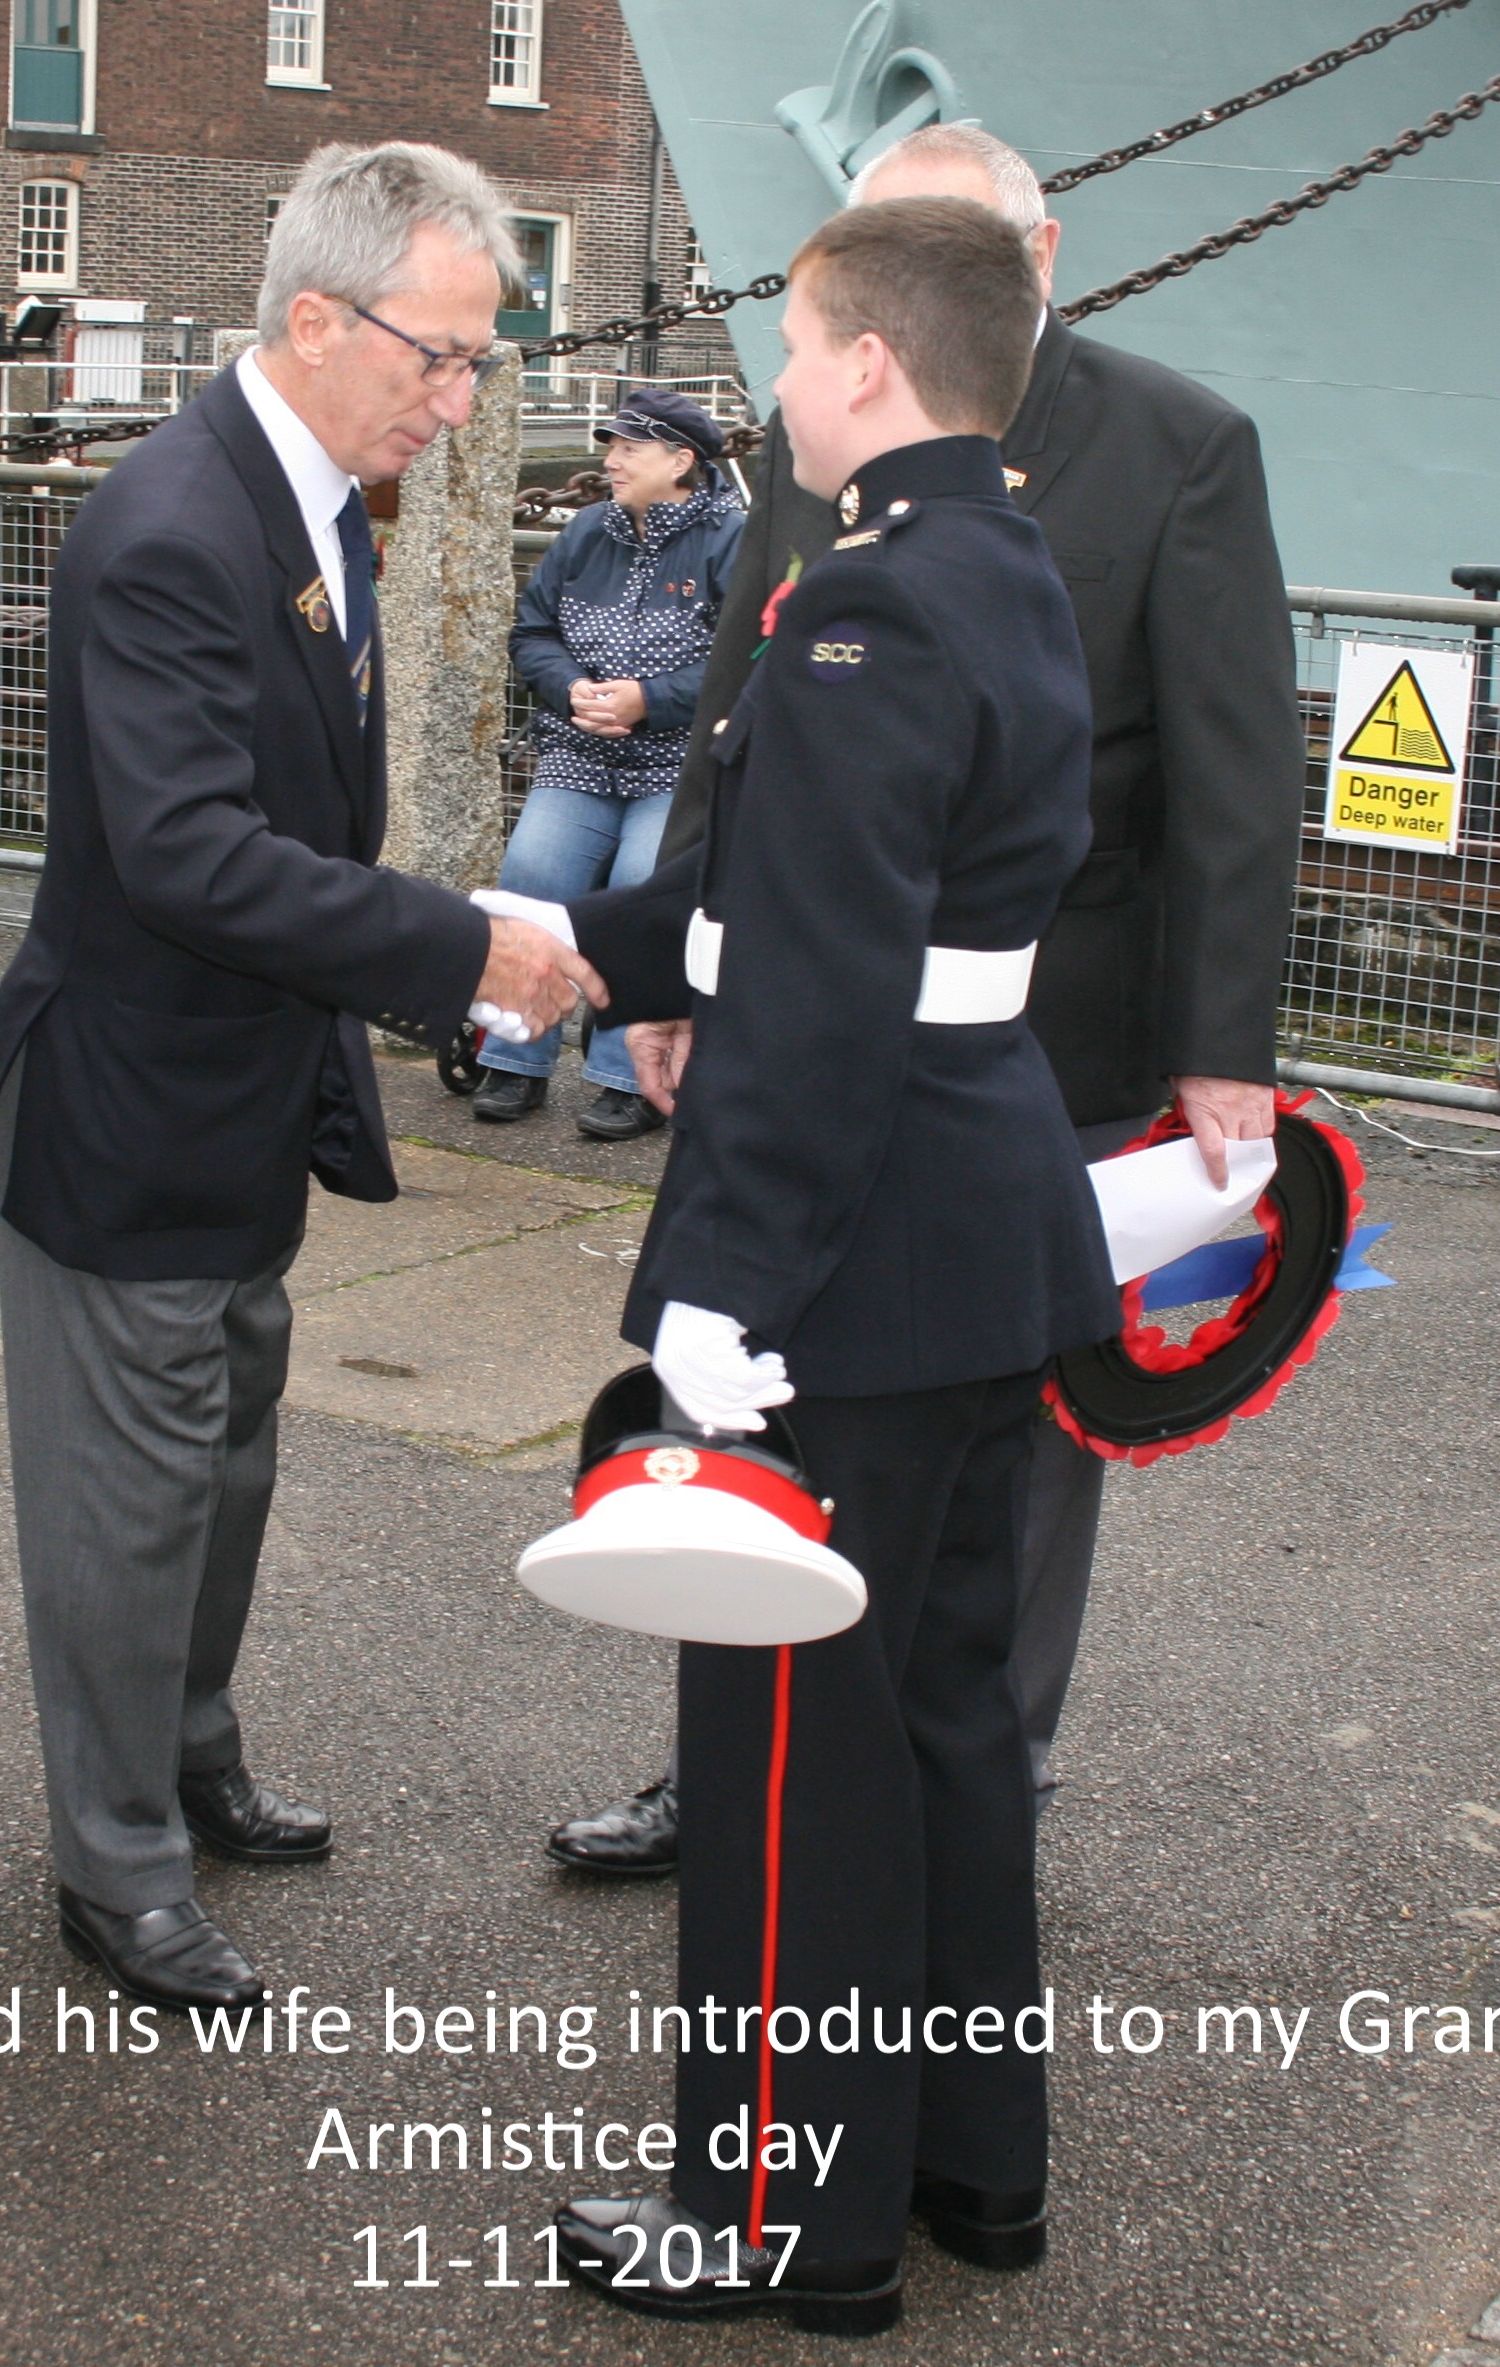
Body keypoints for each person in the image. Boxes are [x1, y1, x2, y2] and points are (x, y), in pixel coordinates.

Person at [547, 120, 1303, 1876]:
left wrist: (1219, 1054)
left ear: (1034, 254)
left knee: (1006, 1460)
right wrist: (672, 979)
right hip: (802, 1011)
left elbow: (1232, 769)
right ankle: (722, 1765)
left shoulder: (1175, 445)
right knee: (768, 1428)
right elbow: (746, 710)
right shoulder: (839, 450)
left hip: (1049, 1037)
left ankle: (984, 1780)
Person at [524, 195, 1117, 2333]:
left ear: (865, 360)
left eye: (792, 345)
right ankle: (971, 2171)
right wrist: (560, 944)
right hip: (983, 1222)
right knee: (949, 1720)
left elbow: (821, 977)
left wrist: (727, 1287)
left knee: (793, 1751)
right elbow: (808, 908)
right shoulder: (1002, 563)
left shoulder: (866, 613)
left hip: (852, 1254)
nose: (776, 385)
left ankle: (781, 2220)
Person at [0, 141, 602, 2010]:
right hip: (135, 1106)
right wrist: (458, 943)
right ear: (314, 319)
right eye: (438, 356)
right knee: (125, 1499)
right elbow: (185, 853)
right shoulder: (169, 526)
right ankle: (114, 1862)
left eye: (479, 363)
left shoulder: (305, 498)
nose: (459, 400)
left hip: (243, 1093)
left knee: (218, 1470)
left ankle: (189, 1747)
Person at [471, 383, 745, 1141]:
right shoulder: (586, 531)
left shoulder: (731, 538)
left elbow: (745, 658)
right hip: (580, 753)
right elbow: (533, 632)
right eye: (611, 445)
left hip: (679, 765)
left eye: (630, 447)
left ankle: (625, 1075)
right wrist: (573, 691)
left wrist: (649, 700)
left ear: (681, 460)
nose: (611, 460)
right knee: (532, 876)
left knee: (642, 889)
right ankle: (514, 1055)